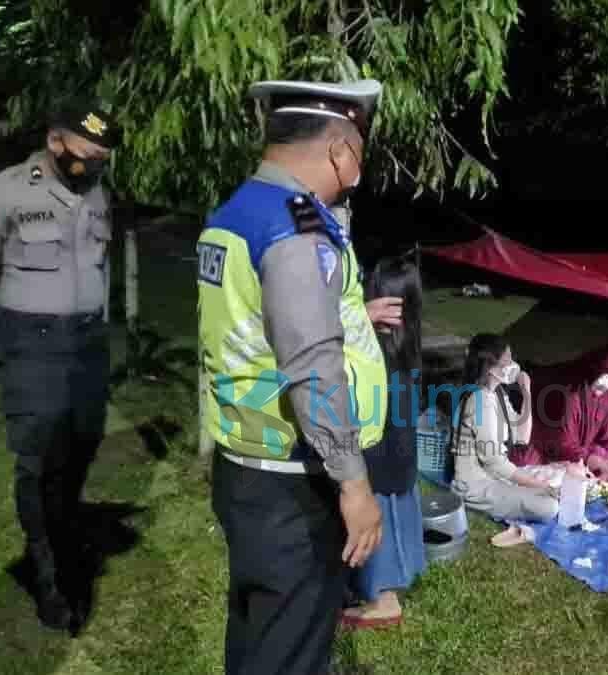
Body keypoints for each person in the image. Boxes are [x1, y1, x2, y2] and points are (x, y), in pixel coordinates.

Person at [198, 78, 387, 675]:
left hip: (246, 466)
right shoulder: (295, 231)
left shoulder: (236, 212)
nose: (359, 167)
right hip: (295, 481)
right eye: (359, 152)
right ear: (338, 151)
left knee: (260, 634)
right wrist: (354, 485)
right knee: (292, 649)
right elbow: (313, 366)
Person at [0, 100, 121, 631]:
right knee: (39, 460)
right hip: (32, 346)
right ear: (56, 141)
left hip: (87, 344)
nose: (94, 165)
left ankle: (63, 528)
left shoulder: (97, 193)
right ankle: (50, 574)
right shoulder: (0, 193)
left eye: (102, 157)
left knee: (83, 444)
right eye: (87, 154)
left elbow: (100, 267)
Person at [342, 257, 427, 630]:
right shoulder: (410, 345)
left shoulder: (371, 344)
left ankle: (381, 599)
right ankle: (402, 574)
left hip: (376, 454)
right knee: (397, 510)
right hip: (403, 454)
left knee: (376, 518)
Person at [451, 333, 560, 548]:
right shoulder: (480, 401)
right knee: (548, 506)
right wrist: (540, 486)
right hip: (475, 487)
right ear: (491, 367)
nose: (514, 364)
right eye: (508, 360)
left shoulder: (497, 393)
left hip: (496, 478)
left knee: (553, 482)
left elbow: (522, 436)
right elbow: (495, 463)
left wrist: (527, 392)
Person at [517, 350, 608, 483]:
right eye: (603, 374)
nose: (606, 382)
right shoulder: (571, 391)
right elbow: (561, 440)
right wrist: (589, 459)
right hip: (550, 447)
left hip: (580, 451)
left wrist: (607, 461)